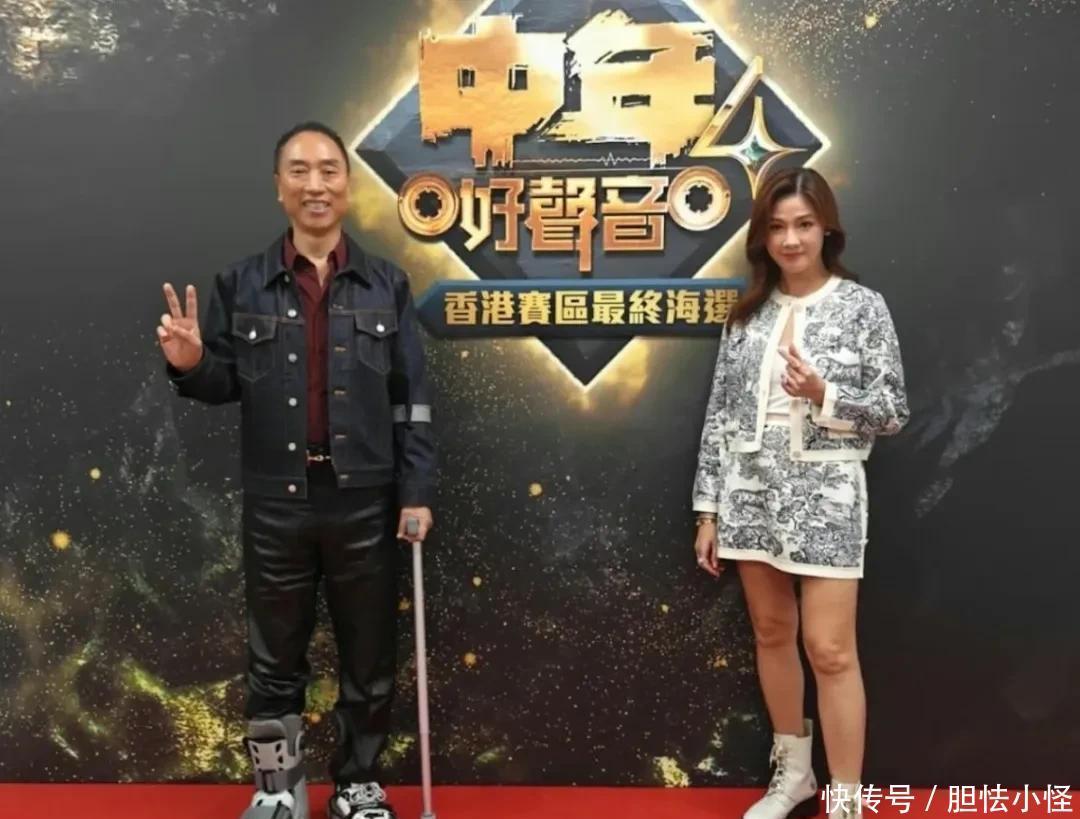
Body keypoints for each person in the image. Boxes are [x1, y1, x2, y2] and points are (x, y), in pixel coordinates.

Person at [157, 121, 436, 819]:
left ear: (347, 184)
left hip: (364, 500)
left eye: (329, 170)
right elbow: (224, 382)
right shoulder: (241, 283)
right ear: (279, 187)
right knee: (274, 656)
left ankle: (357, 784)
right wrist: (191, 363)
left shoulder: (387, 284)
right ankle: (278, 788)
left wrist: (416, 491)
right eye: (300, 171)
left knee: (369, 653)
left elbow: (412, 400)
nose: (316, 184)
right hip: (276, 502)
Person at [691, 167, 909, 819]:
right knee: (770, 631)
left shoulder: (862, 307)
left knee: (831, 649)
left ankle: (846, 797)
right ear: (763, 237)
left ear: (827, 229)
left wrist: (824, 394)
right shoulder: (746, 317)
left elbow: (893, 411)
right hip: (749, 490)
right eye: (778, 227)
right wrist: (708, 509)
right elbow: (719, 416)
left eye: (805, 225)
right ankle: (794, 774)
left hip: (828, 492)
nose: (791, 239)